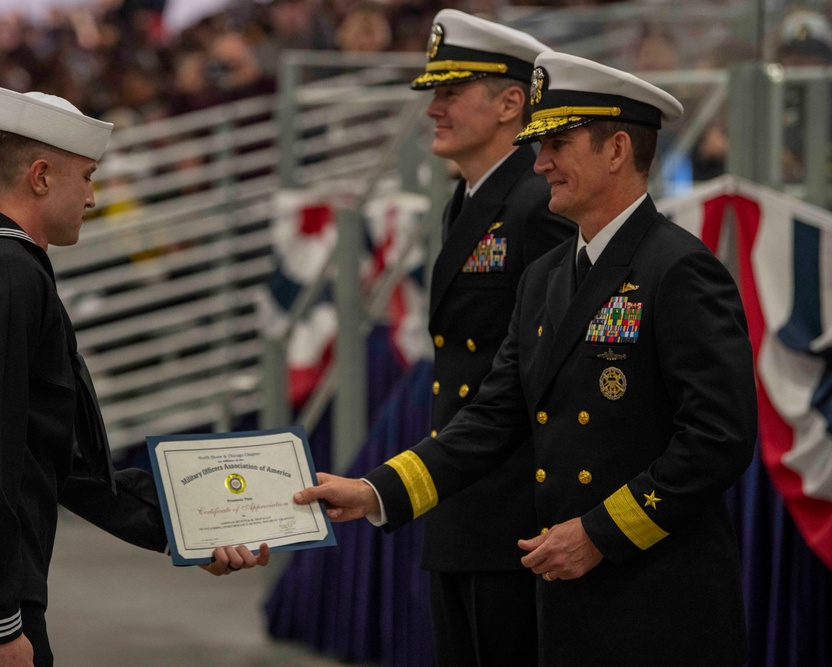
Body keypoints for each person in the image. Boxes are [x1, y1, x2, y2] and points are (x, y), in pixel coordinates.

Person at [295, 52, 757, 666]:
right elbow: (494, 414)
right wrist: (375, 491)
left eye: (557, 144)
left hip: (655, 597)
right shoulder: (544, 277)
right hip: (565, 593)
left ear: (617, 149)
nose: (538, 163)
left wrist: (599, 533)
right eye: (538, 145)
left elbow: (717, 439)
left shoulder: (679, 269)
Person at [0, 86, 269, 667]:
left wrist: (185, 527)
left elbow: (55, 456)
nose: (92, 196)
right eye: (86, 177)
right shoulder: (6, 276)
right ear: (41, 176)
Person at [410, 10, 572, 666]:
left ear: (512, 103)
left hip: (513, 514)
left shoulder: (540, 204)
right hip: (466, 503)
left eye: (452, 92)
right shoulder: (471, 199)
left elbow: (541, 367)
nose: (435, 110)